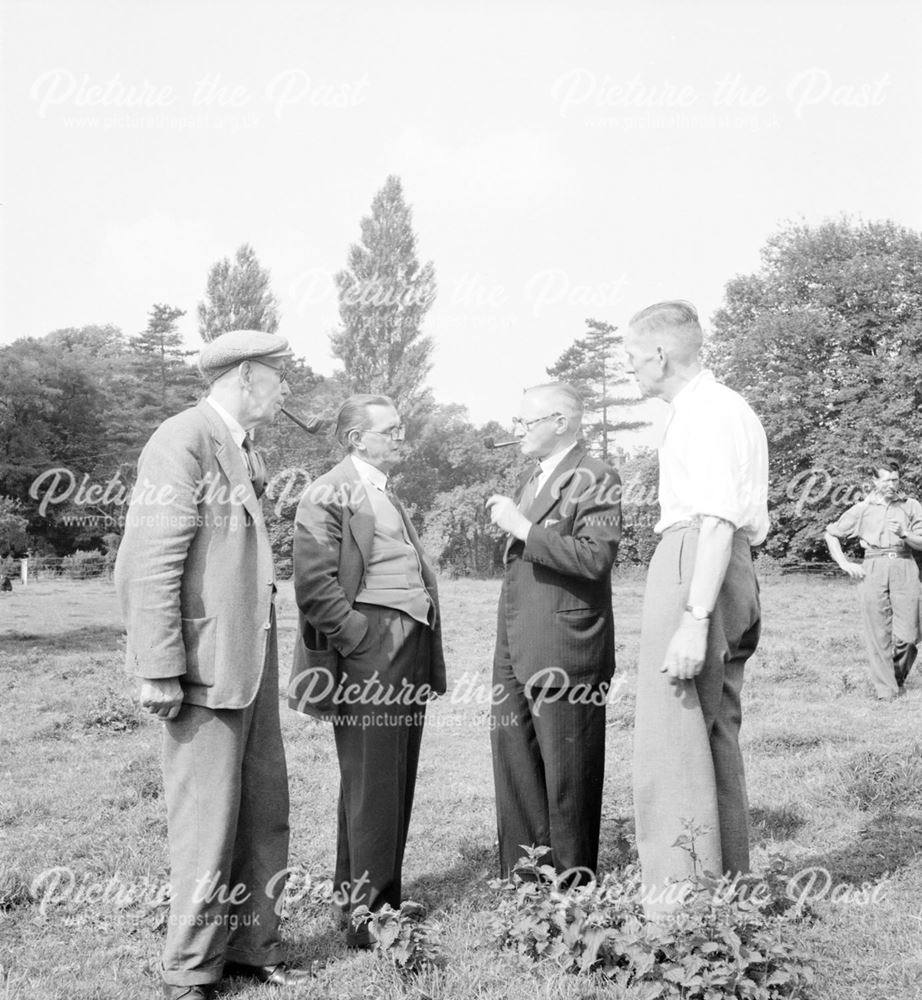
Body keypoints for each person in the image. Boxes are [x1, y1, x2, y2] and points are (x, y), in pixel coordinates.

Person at [114, 330, 311, 999]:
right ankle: (192, 969)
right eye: (280, 377)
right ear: (249, 375)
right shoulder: (182, 439)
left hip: (246, 666)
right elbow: (152, 562)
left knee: (263, 814)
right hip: (202, 669)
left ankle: (253, 947)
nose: (287, 390)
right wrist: (160, 665)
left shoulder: (242, 446)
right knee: (205, 826)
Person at [622, 300, 769, 915]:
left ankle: (678, 912)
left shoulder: (706, 412)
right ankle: (728, 896)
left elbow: (713, 520)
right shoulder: (724, 407)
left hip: (697, 563)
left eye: (631, 357)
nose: (630, 369)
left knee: (672, 739)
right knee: (712, 733)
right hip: (726, 564)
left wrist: (693, 618)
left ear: (660, 353)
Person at [288, 393, 446, 948]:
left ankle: (369, 903)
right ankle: (373, 917)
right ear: (357, 438)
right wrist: (361, 641)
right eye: (392, 430)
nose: (403, 437)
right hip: (371, 651)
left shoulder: (383, 490)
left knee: (389, 776)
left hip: (409, 645)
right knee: (373, 779)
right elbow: (313, 584)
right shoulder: (328, 490)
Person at [485, 383, 621, 884]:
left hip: (566, 650)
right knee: (516, 766)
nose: (517, 431)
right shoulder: (535, 478)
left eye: (526, 422)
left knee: (570, 777)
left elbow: (594, 558)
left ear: (561, 421)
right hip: (516, 646)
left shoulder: (597, 476)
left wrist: (521, 527)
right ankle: (525, 884)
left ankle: (573, 891)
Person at [824, 459, 922, 700]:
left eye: (895, 479)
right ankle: (886, 691)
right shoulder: (863, 509)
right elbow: (831, 533)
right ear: (875, 482)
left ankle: (894, 676)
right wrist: (844, 563)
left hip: (904, 565)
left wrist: (905, 533)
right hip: (873, 566)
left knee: (910, 636)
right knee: (877, 631)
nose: (892, 484)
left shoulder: (911, 506)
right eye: (886, 479)